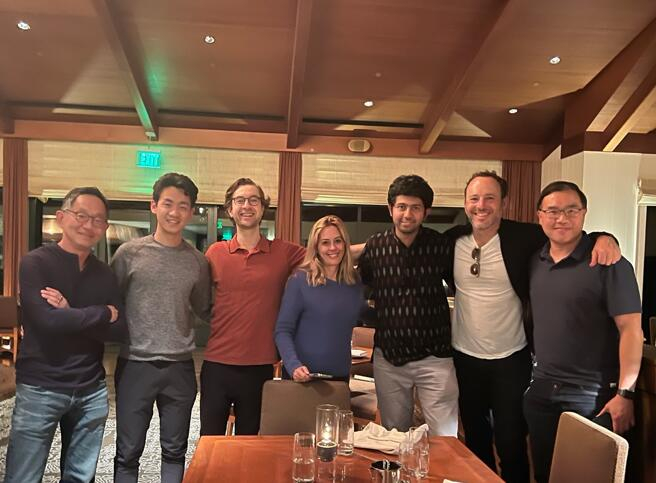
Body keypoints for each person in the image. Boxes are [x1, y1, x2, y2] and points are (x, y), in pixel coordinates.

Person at [445, 171, 620, 483]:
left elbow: (567, 234)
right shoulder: (452, 240)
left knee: (511, 441)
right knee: (476, 438)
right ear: (465, 203)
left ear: (504, 202)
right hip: (465, 357)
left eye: (489, 198)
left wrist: (605, 237)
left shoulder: (524, 237)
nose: (481, 205)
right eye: (474, 198)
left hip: (512, 357)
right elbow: (412, 243)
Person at [4, 187, 126, 483]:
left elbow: (121, 330)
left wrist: (69, 311)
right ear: (61, 217)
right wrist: (102, 312)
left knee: (81, 478)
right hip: (40, 387)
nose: (88, 225)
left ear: (105, 227)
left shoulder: (104, 273)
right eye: (81, 215)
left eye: (98, 219)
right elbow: (46, 322)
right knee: (23, 476)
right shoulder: (35, 263)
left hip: (91, 389)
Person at [524, 181, 643, 483]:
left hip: (592, 397)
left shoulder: (609, 263)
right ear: (540, 216)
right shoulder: (535, 261)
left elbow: (631, 330)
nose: (561, 219)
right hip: (541, 391)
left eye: (571, 210)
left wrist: (625, 393)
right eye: (553, 211)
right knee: (546, 475)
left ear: (584, 213)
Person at [112, 173, 212, 483]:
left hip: (180, 367)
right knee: (127, 452)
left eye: (183, 206)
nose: (174, 212)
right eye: (168, 203)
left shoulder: (197, 262)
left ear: (191, 212)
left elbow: (204, 308)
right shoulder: (129, 254)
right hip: (135, 364)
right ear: (154, 206)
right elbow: (110, 303)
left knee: (174, 450)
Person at [201, 178, 305, 436]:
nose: (247, 206)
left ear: (262, 208)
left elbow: (330, 254)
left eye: (253, 200)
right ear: (230, 209)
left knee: (249, 444)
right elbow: (199, 298)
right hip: (217, 364)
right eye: (240, 200)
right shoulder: (215, 253)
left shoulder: (282, 252)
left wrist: (374, 246)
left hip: (260, 366)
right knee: (210, 442)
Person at [357, 174, 458, 436]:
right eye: (401, 206)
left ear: (426, 211)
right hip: (389, 357)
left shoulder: (440, 246)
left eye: (415, 207)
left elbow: (461, 288)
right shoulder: (375, 247)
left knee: (445, 435)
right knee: (393, 435)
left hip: (435, 356)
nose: (407, 214)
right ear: (390, 209)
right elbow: (363, 289)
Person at [275, 215, 364, 382]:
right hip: (302, 378)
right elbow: (282, 331)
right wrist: (293, 366)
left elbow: (362, 312)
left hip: (339, 378)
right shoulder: (299, 281)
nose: (333, 247)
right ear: (316, 247)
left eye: (338, 241)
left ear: (345, 244)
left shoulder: (354, 283)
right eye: (325, 242)